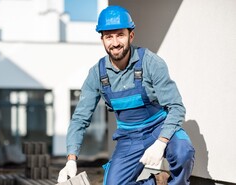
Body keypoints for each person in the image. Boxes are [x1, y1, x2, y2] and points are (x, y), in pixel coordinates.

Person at [57, 5, 195, 185]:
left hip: (159, 128)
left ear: (131, 36)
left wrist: (161, 142)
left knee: (183, 151)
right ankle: (158, 182)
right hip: (129, 138)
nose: (115, 43)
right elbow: (79, 119)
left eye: (120, 35)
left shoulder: (151, 63)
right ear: (102, 40)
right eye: (109, 37)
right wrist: (71, 159)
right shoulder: (97, 75)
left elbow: (176, 107)